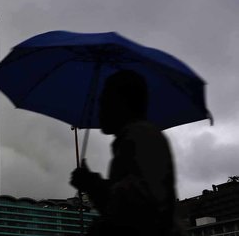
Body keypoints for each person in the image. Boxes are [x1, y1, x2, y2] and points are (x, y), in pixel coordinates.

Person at [70, 70, 180, 236]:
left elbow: (139, 212)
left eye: (103, 102)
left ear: (120, 103)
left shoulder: (142, 136)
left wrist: (91, 184)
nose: (99, 110)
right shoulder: (134, 138)